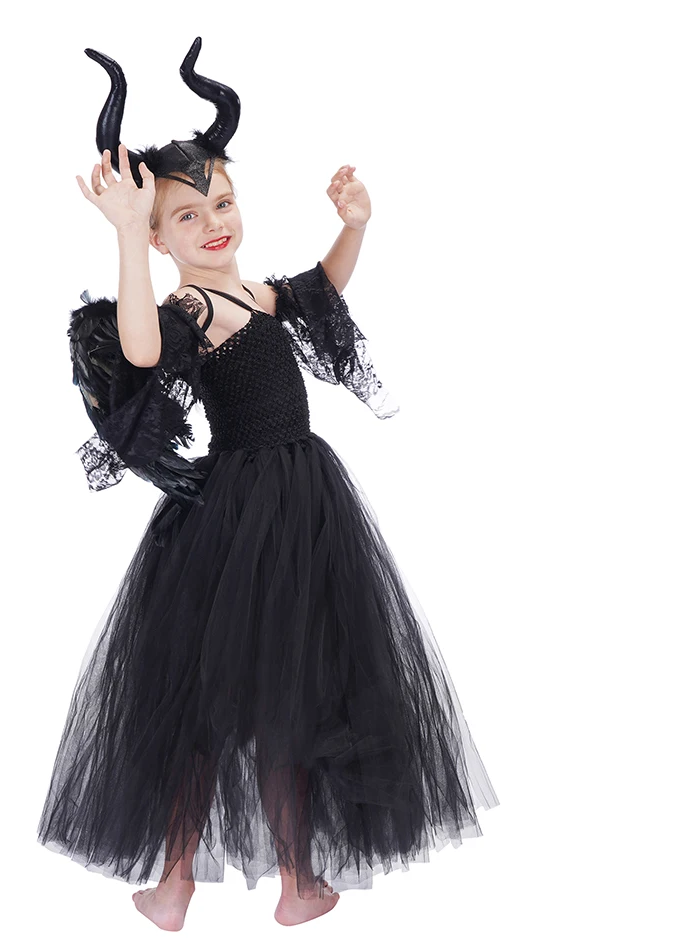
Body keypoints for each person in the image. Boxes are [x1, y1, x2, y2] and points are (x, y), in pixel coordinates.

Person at [37, 38, 500, 931]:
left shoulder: (252, 292)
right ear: (160, 238)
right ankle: (183, 882)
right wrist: (125, 234)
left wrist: (354, 226)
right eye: (186, 216)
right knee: (217, 705)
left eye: (222, 201)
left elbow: (321, 290)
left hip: (301, 500)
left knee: (295, 698)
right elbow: (140, 348)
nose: (213, 222)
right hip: (243, 515)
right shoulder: (191, 307)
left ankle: (290, 881)